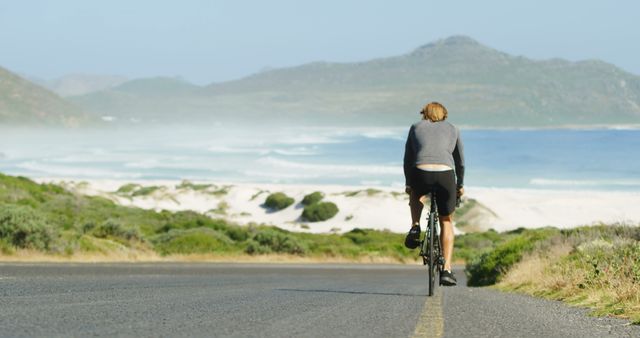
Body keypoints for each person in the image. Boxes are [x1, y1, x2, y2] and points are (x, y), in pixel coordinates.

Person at [403, 102, 465, 286]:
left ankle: (415, 226)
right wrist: (460, 184)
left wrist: (408, 183)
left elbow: (408, 159)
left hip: (420, 172)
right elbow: (460, 162)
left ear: (424, 114)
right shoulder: (453, 129)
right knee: (446, 221)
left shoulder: (415, 127)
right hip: (446, 174)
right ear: (444, 115)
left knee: (416, 194)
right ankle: (446, 269)